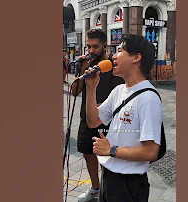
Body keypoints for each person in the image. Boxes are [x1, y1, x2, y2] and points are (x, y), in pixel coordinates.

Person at [84, 34, 163, 202]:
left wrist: (111, 150)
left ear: (136, 57)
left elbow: (151, 151)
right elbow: (93, 121)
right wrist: (91, 89)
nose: (113, 56)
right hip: (108, 176)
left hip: (128, 185)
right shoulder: (119, 90)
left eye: (119, 50)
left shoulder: (148, 99)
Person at [70, 28, 124, 202]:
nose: (91, 51)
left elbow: (119, 95)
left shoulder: (111, 66)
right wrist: (83, 72)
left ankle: (108, 191)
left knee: (107, 157)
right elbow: (74, 92)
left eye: (95, 46)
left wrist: (101, 107)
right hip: (86, 118)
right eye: (88, 47)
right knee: (87, 152)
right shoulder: (88, 66)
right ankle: (95, 188)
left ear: (104, 46)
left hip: (106, 121)